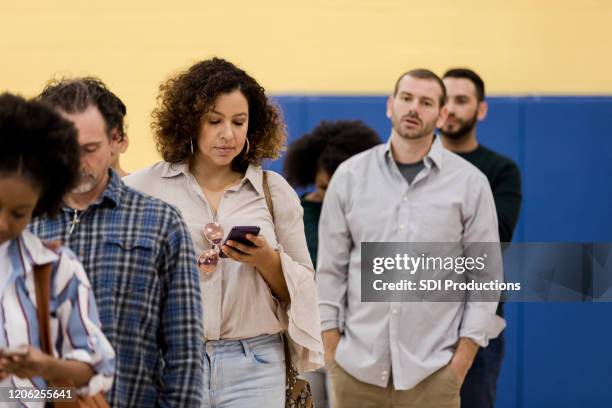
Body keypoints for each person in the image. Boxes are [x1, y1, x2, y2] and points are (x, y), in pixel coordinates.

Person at [124, 57, 324, 407]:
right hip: (170, 361)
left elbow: (303, 290)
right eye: (214, 120)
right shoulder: (144, 187)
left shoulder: (273, 191)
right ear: (188, 122)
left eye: (238, 121)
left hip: (257, 363)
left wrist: (266, 260)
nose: (227, 134)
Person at [317, 69, 505, 408]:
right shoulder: (350, 177)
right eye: (406, 98)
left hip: (434, 374)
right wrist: (332, 352)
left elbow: (485, 279)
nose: (413, 108)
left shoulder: (470, 184)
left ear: (442, 114)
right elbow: (330, 271)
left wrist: (459, 365)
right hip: (355, 372)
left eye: (426, 102)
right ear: (390, 105)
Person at [31, 78, 204, 407]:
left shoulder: (160, 223)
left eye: (89, 149)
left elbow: (184, 354)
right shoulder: (21, 225)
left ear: (115, 141)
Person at [0, 93, 115, 406]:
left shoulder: (56, 268)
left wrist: (45, 367)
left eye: (19, 213)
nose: (3, 223)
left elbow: (91, 373)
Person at [284, 120, 381, 408]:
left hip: (358, 345)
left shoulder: (375, 220)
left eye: (340, 188)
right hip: (304, 342)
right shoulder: (296, 215)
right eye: (324, 187)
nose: (332, 197)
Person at [441, 67, 522, 408]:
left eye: (462, 100)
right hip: (413, 312)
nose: (451, 109)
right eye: (444, 100)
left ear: (481, 109)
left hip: (476, 316)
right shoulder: (408, 166)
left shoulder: (500, 170)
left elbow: (494, 238)